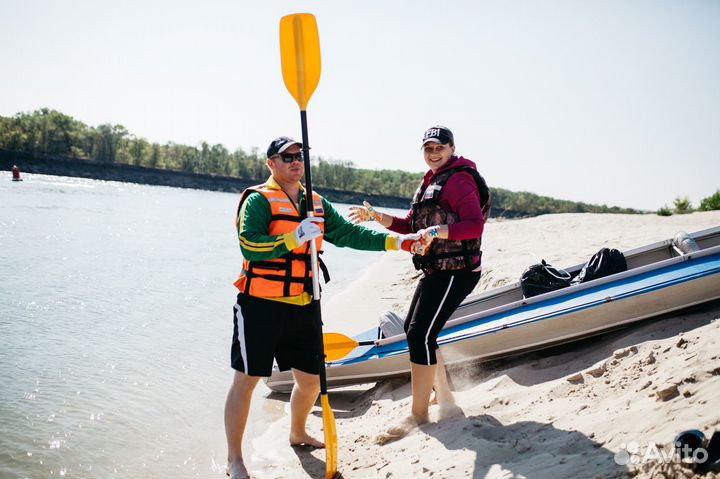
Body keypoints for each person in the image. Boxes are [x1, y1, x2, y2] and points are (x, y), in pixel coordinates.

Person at [224, 136, 419, 479]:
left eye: (300, 156)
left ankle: (297, 432)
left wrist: (397, 241)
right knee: (248, 380)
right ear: (271, 163)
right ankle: (235, 460)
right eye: (287, 157)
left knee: (312, 381)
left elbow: (348, 234)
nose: (296, 161)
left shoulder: (314, 201)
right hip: (259, 307)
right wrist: (295, 236)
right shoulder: (258, 200)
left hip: (303, 306)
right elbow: (250, 246)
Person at [349, 125, 491, 443]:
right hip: (436, 269)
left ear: (452, 148)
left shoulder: (459, 180)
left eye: (439, 147)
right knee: (421, 333)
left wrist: (436, 233)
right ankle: (444, 398)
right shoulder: (430, 182)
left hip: (459, 270)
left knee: (420, 334)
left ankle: (419, 414)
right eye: (427, 148)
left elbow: (474, 225)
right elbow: (411, 225)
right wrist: (377, 217)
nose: (433, 152)